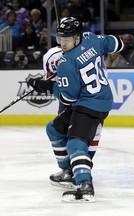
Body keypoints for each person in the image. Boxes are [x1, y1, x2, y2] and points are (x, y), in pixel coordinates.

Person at [27, 17, 124, 202]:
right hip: (101, 98)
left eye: (67, 39)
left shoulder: (66, 63)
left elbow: (68, 98)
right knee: (53, 129)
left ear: (77, 37)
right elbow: (117, 44)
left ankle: (84, 183)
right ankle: (68, 171)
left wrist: (46, 86)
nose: (63, 43)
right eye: (61, 39)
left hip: (89, 104)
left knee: (75, 144)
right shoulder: (92, 38)